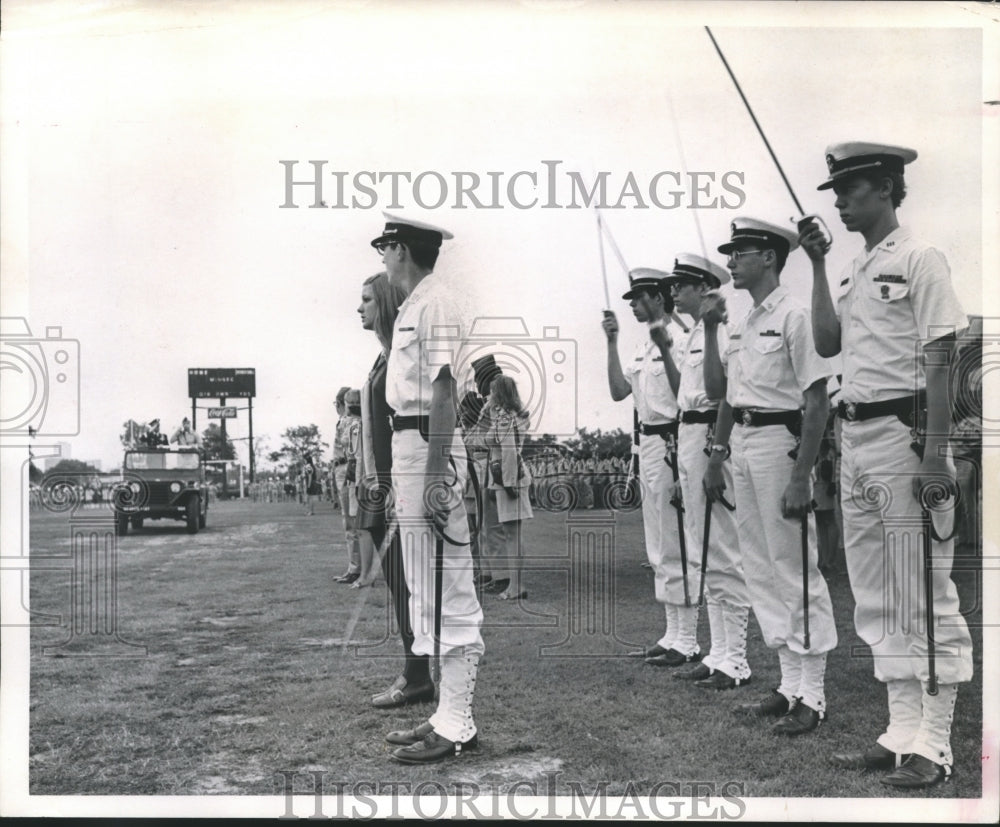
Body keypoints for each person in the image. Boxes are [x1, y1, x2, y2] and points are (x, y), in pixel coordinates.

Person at [802, 142, 974, 787]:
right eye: (836, 193)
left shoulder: (919, 258)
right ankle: (900, 733)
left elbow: (941, 355)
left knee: (922, 591)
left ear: (885, 188)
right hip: (857, 439)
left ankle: (935, 742)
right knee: (875, 594)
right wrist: (817, 266)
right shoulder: (851, 270)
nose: (840, 203)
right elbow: (825, 344)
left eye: (849, 190)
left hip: (907, 436)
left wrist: (935, 450)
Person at [702, 217, 838, 736]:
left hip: (782, 445)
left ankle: (814, 693)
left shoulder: (795, 316)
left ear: (769, 258)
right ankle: (788, 685)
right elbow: (726, 398)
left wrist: (802, 474)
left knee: (794, 567)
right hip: (742, 445)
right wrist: (716, 456)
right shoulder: (739, 322)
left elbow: (817, 399)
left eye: (741, 252)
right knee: (759, 567)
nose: (732, 261)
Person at [371, 213, 485, 764]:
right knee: (425, 584)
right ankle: (445, 713)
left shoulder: (435, 301)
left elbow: (443, 391)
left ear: (403, 250)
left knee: (449, 585)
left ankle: (459, 722)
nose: (381, 257)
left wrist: (438, 471)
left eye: (384, 246)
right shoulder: (416, 302)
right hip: (410, 447)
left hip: (428, 446)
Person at [660, 254, 753, 691]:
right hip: (690, 434)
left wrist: (716, 454)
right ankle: (718, 652)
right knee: (703, 550)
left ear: (703, 287)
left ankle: (735, 658)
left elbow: (725, 396)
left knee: (722, 548)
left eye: (682, 284)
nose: (673, 292)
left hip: (713, 435)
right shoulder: (693, 333)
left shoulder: (723, 329)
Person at [603, 268, 697, 667]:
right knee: (659, 546)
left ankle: (688, 638)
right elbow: (619, 391)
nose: (634, 307)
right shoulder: (643, 345)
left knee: (677, 541)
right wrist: (611, 343)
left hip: (674, 440)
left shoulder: (679, 341)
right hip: (647, 445)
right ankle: (672, 632)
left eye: (639, 299)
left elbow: (686, 396)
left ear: (659, 298)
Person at [355, 270, 434, 708]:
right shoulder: (382, 358)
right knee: (396, 580)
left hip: (398, 481)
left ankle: (418, 675)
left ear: (383, 302)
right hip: (379, 483)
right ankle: (414, 669)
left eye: (367, 299)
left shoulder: (398, 360)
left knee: (409, 582)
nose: (360, 307)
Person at [469, 374, 534, 601]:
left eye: (493, 391)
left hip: (508, 477)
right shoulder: (509, 415)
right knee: (512, 535)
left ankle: (516, 587)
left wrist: (507, 484)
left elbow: (508, 451)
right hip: (507, 476)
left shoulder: (504, 418)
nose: (489, 395)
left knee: (512, 535)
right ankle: (517, 585)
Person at [332, 387, 361, 584]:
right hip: (341, 468)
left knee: (351, 522)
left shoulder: (349, 422)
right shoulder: (346, 421)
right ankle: (355, 566)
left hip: (347, 468)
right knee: (350, 521)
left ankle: (356, 568)